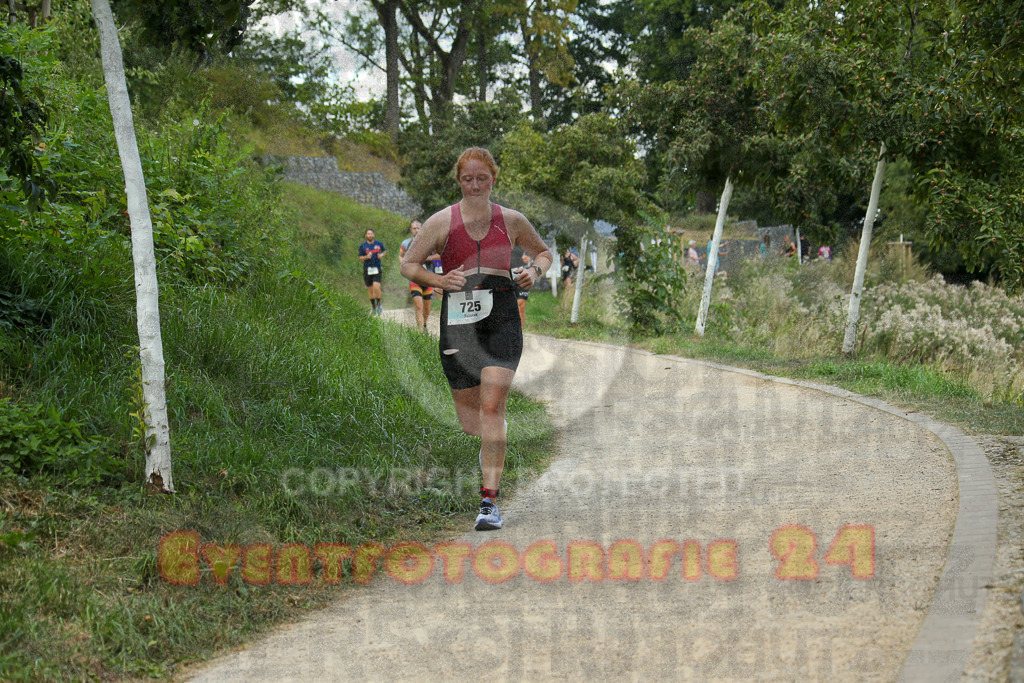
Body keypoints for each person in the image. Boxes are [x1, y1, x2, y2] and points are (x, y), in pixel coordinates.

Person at [400, 147, 552, 531]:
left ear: (493, 179)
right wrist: (438, 280)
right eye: (467, 179)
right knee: (473, 423)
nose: (474, 185)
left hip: (502, 314)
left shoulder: (512, 220)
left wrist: (535, 272)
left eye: (481, 178)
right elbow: (409, 265)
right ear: (459, 181)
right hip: (459, 321)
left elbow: (543, 253)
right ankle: (492, 441)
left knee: (492, 409)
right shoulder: (440, 222)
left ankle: (489, 503)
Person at [400, 220, 441, 332]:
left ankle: (424, 325)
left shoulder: (430, 242)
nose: (416, 230)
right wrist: (404, 265)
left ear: (422, 229)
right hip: (414, 278)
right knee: (418, 306)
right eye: (414, 228)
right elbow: (401, 256)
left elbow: (439, 254)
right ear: (411, 230)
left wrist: (430, 258)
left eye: (418, 228)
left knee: (427, 307)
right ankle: (420, 331)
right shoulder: (406, 243)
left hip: (427, 278)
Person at [358, 229, 387, 314]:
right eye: (368, 234)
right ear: (366, 235)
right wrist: (366, 257)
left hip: (377, 268)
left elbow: (384, 251)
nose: (370, 235)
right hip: (367, 269)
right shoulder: (363, 246)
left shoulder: (378, 243)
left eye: (371, 234)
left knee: (376, 286)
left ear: (373, 235)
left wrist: (381, 255)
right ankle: (374, 307)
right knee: (370, 290)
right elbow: (359, 258)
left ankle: (379, 305)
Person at [514, 250, 531, 325]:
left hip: (523, 281)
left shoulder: (524, 247)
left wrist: (527, 258)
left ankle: (521, 329)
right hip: (511, 280)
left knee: (520, 305)